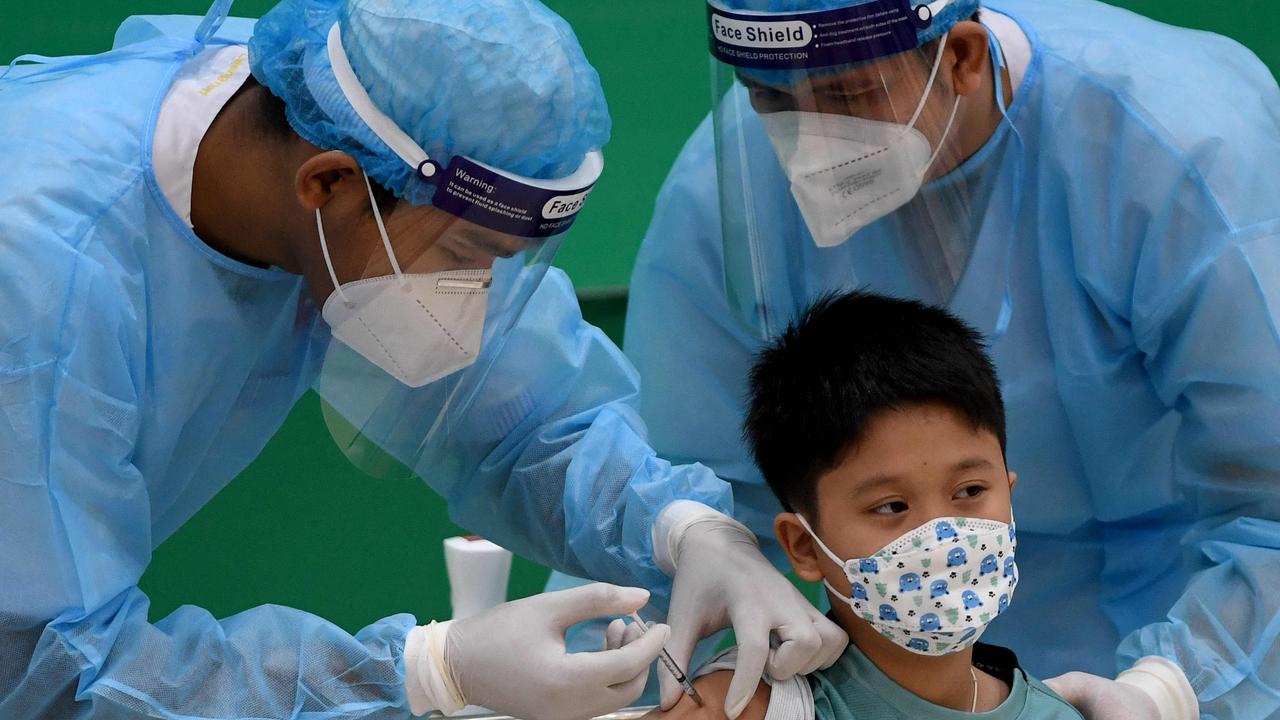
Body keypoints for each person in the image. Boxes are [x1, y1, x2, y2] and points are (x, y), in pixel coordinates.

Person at [0, 0, 845, 717]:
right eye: (464, 254)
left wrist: (683, 527)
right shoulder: (39, 273)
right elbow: (49, 670)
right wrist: (422, 672)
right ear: (326, 185)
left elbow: (530, 423)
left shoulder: (347, 119)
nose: (473, 304)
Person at [621, 0, 1280, 717]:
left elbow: (1270, 500)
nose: (810, 142)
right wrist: (639, 659)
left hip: (1211, 619)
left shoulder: (1181, 152)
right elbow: (687, 495)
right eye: (772, 98)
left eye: (847, 95)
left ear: (962, 56)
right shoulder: (729, 191)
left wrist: (1175, 691)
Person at [610, 289, 1088, 718]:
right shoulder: (743, 708)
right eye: (891, 506)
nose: (942, 535)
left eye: (970, 492)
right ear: (803, 546)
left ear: (1009, 495)